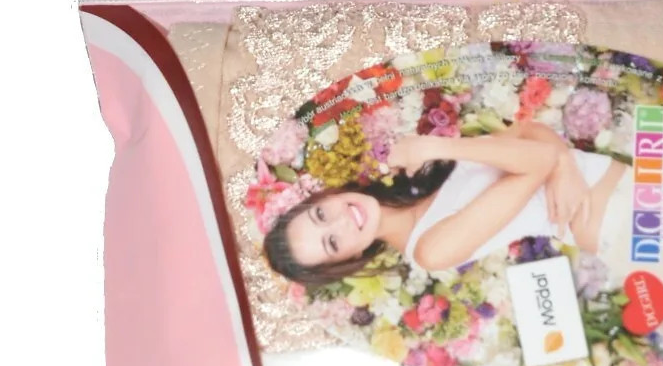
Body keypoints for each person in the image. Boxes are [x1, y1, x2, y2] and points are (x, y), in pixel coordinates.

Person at [263, 119, 631, 286]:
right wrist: (436, 146)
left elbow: (526, 130)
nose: (341, 221)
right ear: (349, 258)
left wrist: (564, 163)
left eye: (321, 214)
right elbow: (539, 160)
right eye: (333, 242)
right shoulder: (430, 250)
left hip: (629, 184)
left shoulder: (407, 176)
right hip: (623, 225)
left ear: (324, 196)